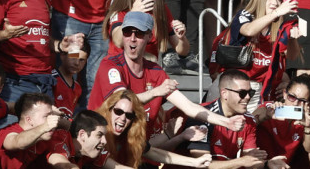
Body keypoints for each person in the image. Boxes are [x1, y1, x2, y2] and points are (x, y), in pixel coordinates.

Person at [89, 12, 243, 136]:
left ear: (150, 37)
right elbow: (121, 100)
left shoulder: (156, 72)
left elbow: (189, 107)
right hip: (102, 145)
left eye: (139, 33)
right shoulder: (110, 64)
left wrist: (226, 122)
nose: (132, 39)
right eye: (127, 32)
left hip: (135, 149)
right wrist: (156, 92)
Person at [224, 0, 302, 106]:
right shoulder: (246, 15)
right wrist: (276, 13)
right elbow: (248, 30)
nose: (275, 3)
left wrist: (293, 39)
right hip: (238, 85)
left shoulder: (281, 23)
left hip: (264, 88)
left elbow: (291, 56)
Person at [101, 0, 189, 72]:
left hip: (146, 70)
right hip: (119, 68)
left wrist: (182, 38)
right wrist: (134, 12)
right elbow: (118, 41)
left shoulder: (160, 9)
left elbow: (183, 51)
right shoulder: (122, 7)